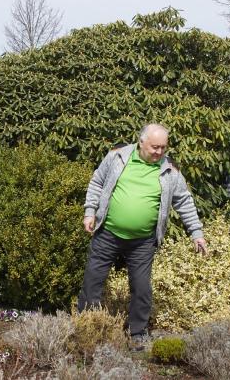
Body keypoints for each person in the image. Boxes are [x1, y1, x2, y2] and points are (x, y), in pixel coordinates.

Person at [77, 123, 206, 348]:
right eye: (154, 147)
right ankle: (86, 327)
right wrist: (90, 212)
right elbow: (97, 182)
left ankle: (137, 334)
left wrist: (196, 233)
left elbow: (184, 201)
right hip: (107, 232)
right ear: (141, 142)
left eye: (163, 148)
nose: (159, 152)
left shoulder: (170, 170)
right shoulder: (117, 157)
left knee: (141, 288)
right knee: (92, 282)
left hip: (143, 241)